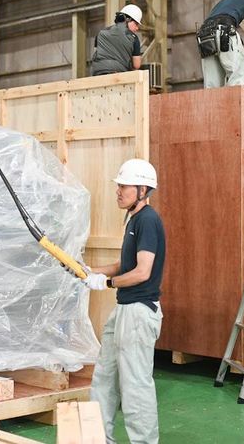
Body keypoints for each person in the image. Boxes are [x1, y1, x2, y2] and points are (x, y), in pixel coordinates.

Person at [81, 159, 165, 444]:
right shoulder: (134, 220)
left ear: (142, 189)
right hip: (124, 310)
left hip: (139, 313)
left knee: (135, 386)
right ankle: (99, 439)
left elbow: (142, 272)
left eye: (124, 186)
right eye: (118, 185)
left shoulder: (148, 221)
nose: (118, 191)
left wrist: (105, 284)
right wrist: (90, 272)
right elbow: (123, 265)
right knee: (104, 377)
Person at [91, 4, 143, 76]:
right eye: (136, 24)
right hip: (118, 74)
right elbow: (136, 65)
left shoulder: (101, 33)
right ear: (128, 20)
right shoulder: (133, 37)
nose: (137, 28)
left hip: (97, 73)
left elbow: (95, 55)